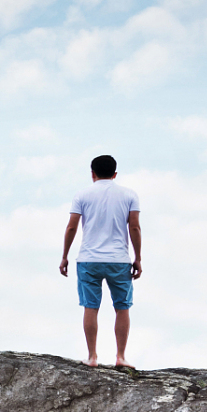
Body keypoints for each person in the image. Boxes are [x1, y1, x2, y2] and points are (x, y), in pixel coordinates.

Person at [58, 154, 141, 368]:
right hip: (119, 260)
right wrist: (138, 257)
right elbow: (134, 227)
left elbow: (72, 227)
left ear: (92, 173)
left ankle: (92, 356)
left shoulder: (82, 195)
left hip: (89, 259)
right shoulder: (129, 195)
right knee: (122, 307)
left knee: (90, 307)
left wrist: (65, 255)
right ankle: (121, 357)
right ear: (115, 174)